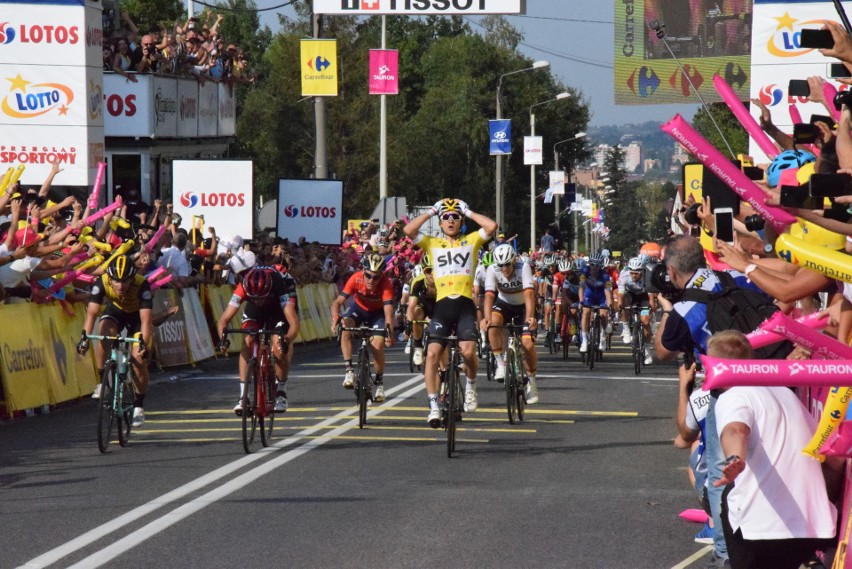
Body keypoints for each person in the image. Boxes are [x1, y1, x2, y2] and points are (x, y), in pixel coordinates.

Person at [710, 331, 838, 569]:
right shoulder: (784, 393)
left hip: (761, 526)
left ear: (717, 367)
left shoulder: (733, 396)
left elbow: (735, 430)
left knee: (729, 495)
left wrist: (735, 457)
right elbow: (829, 456)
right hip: (809, 526)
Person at [403, 198, 497, 427]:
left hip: (464, 304)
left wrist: (469, 210)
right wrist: (432, 211)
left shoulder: (471, 241)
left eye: (456, 217)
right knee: (433, 353)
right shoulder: (432, 244)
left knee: (468, 351)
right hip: (443, 306)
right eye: (446, 217)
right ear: (440, 222)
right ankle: (434, 406)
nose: (451, 220)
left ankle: (471, 386)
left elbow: (491, 227)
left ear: (461, 220)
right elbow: (408, 230)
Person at [78, 255, 153, 427]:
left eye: (125, 281)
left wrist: (143, 344)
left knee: (138, 360)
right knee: (103, 333)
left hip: (137, 318)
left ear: (132, 278)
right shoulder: (102, 282)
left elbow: (146, 320)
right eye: (116, 281)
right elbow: (91, 314)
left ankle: (139, 405)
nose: (120, 286)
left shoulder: (142, 285)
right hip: (116, 312)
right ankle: (101, 382)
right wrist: (84, 338)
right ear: (109, 278)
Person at [217, 265, 300, 414]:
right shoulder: (243, 286)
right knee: (248, 340)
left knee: (278, 347)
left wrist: (286, 340)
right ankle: (243, 396)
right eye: (255, 297)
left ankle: (281, 391)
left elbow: (294, 323)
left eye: (261, 297)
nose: (259, 300)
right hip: (254, 310)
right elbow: (224, 320)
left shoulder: (278, 284)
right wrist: (223, 339)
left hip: (277, 308)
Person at [330, 252, 396, 403]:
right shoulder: (356, 278)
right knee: (345, 326)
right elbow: (337, 302)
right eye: (368, 275)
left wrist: (389, 332)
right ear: (363, 272)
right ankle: (349, 371)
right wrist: (335, 319)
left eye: (376, 277)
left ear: (381, 276)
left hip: (377, 314)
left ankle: (379, 382)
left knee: (377, 345)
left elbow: (388, 312)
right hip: (358, 309)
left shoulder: (386, 284)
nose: (371, 280)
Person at [481, 243, 539, 404]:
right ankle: (500, 363)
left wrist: (530, 318)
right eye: (501, 265)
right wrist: (486, 318)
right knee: (492, 323)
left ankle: (532, 382)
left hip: (523, 307)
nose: (504, 269)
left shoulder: (523, 267)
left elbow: (529, 295)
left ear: (513, 261)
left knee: (527, 344)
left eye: (507, 264)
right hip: (504, 304)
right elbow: (489, 296)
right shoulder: (492, 270)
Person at [617, 256, 653, 365]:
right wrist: (620, 305)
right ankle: (626, 328)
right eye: (632, 273)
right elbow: (620, 294)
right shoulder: (624, 275)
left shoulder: (647, 276)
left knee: (646, 321)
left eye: (637, 273)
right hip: (629, 295)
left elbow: (650, 295)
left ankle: (647, 350)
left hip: (643, 297)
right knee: (624, 303)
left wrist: (651, 305)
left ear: (642, 271)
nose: (634, 275)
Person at [578, 252, 613, 354]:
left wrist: (609, 306)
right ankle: (584, 340)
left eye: (598, 265)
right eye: (593, 265)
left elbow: (608, 293)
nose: (595, 268)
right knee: (586, 312)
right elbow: (581, 287)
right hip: (589, 295)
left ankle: (602, 336)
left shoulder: (606, 276)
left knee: (603, 314)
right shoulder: (584, 271)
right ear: (589, 264)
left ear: (601, 266)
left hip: (601, 296)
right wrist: (581, 301)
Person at [406, 254, 436, 367]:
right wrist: (409, 323)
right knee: (416, 314)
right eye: (428, 271)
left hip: (440, 305)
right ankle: (418, 346)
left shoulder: (444, 280)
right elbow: (411, 306)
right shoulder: (417, 281)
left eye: (434, 270)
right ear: (424, 271)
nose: (432, 274)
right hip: (424, 305)